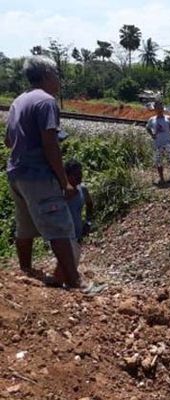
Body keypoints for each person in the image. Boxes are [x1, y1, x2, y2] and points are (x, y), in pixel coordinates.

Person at [4, 56, 81, 288]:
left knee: (25, 225)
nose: (58, 79)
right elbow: (50, 144)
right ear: (47, 75)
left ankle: (26, 271)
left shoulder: (19, 101)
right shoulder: (46, 101)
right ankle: (75, 281)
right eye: (56, 74)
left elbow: (8, 140)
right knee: (59, 225)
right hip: (38, 174)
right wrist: (63, 180)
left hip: (16, 172)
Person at [64, 160, 93, 269]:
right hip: (63, 235)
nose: (79, 177)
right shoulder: (60, 191)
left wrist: (88, 222)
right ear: (66, 176)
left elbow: (89, 204)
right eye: (75, 175)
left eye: (80, 174)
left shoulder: (82, 189)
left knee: (74, 263)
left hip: (78, 234)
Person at [146, 100, 170, 183]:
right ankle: (161, 178)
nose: (160, 109)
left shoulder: (169, 118)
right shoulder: (152, 119)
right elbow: (147, 127)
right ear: (155, 109)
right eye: (157, 108)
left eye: (161, 107)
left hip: (168, 143)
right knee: (159, 162)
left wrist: (168, 134)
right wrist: (152, 135)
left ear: (163, 108)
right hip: (157, 144)